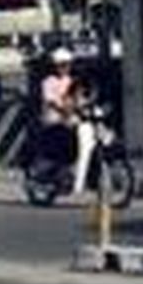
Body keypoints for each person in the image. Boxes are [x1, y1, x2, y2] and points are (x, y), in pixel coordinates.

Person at [40, 47, 93, 194]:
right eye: (62, 65)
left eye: (67, 64)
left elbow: (78, 98)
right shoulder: (48, 82)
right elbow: (50, 101)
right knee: (66, 139)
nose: (65, 68)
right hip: (53, 120)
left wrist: (87, 104)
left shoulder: (71, 81)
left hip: (70, 119)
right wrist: (63, 110)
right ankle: (61, 172)